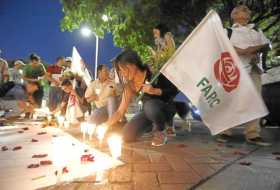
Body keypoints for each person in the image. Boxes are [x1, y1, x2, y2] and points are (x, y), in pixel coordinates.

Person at [218, 5, 271, 146]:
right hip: (234, 70)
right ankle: (225, 130)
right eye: (241, 14)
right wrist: (241, 51)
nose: (244, 17)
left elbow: (266, 44)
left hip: (254, 69)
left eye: (246, 15)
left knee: (255, 100)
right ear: (234, 16)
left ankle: (253, 133)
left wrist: (253, 50)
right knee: (231, 99)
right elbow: (221, 46)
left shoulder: (256, 30)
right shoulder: (227, 32)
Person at [122, 73, 186, 146]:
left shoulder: (163, 74)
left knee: (151, 106)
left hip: (164, 106)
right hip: (147, 111)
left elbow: (173, 92)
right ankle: (150, 125)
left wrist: (155, 90)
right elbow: (120, 110)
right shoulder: (135, 80)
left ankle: (162, 129)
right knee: (126, 135)